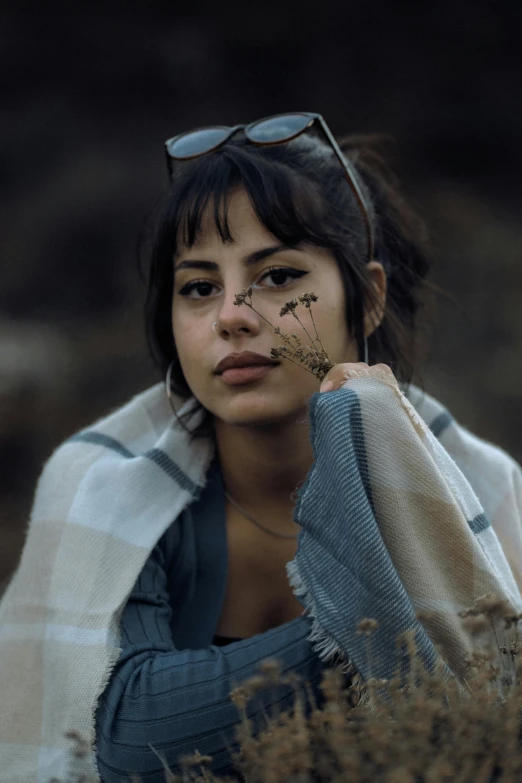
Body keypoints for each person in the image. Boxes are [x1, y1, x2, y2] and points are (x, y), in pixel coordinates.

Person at [1, 113, 521, 783]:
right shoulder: (106, 484)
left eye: (277, 276)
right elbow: (126, 733)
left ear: (367, 300)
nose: (233, 315)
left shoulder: (483, 488)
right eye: (199, 287)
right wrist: (392, 621)